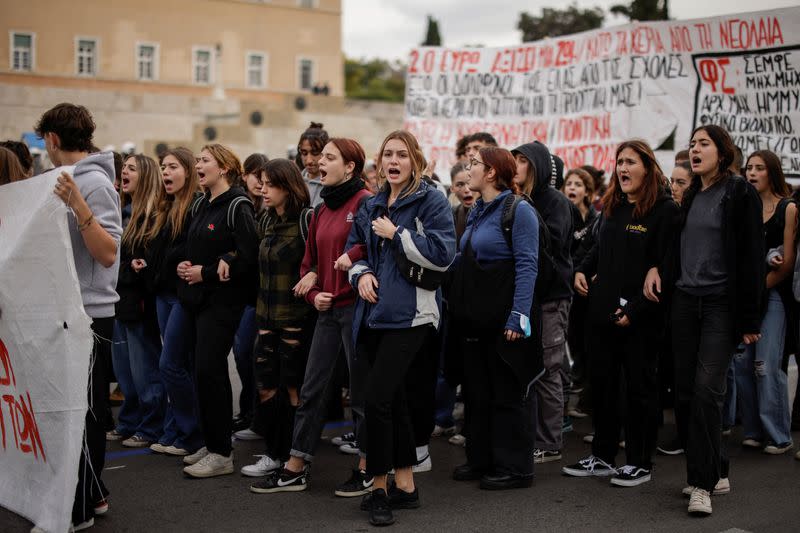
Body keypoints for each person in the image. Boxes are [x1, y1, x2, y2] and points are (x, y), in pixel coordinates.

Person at [644, 125, 764, 516]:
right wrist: (657, 269)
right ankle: (719, 469)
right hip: (685, 302)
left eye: (703, 144)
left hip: (720, 305)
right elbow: (679, 246)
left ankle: (702, 484)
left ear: (722, 151)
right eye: (692, 144)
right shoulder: (692, 193)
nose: (694, 150)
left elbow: (750, 257)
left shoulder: (739, 193)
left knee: (706, 390)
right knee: (683, 393)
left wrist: (749, 317)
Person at [347, 130, 456, 527]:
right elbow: (356, 250)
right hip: (372, 315)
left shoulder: (432, 201)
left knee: (377, 400)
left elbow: (445, 256)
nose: (394, 161)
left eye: (402, 155)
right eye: (388, 154)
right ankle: (406, 486)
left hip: (412, 317)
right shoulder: (373, 203)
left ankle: (378, 488)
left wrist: (399, 236)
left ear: (416, 161)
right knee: (396, 402)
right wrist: (359, 275)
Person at [255, 138, 372, 494]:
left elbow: (373, 245)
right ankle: (296, 465)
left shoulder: (365, 201)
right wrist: (313, 291)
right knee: (311, 389)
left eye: (330, 157)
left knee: (362, 392)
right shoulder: (321, 209)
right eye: (320, 157)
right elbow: (309, 266)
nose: (320, 162)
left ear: (350, 167)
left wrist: (349, 260)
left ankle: (369, 465)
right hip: (326, 311)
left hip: (356, 309)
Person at [563, 141, 680, 487]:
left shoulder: (665, 211)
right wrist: (582, 269)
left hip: (640, 319)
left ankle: (639, 462)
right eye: (619, 163)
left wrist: (637, 310)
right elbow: (597, 247)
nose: (623, 169)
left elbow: (667, 268)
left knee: (639, 391)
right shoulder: (613, 207)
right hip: (601, 315)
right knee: (603, 388)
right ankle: (602, 455)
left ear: (648, 167)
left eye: (630, 162)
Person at [36, 103, 122, 530]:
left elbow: (107, 254)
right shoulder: (61, 179)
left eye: (44, 143)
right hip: (67, 310)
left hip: (91, 313)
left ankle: (83, 505)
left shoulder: (96, 184)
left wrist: (77, 205)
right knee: (74, 410)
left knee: (86, 412)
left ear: (52, 140)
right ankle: (95, 492)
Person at [449, 146, 540, 490]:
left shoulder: (519, 211)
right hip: (476, 318)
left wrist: (519, 316)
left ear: (490, 173)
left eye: (474, 164)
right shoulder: (477, 210)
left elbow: (528, 264)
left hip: (504, 317)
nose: (468, 169)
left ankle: (515, 468)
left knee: (507, 392)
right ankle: (482, 459)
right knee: (478, 391)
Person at [177, 144, 260, 478]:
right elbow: (192, 244)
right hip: (199, 300)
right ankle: (213, 441)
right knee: (202, 371)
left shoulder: (238, 205)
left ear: (224, 168)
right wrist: (186, 264)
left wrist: (206, 272)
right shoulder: (201, 203)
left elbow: (249, 255)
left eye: (205, 161)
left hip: (224, 302)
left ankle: (222, 453)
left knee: (210, 370)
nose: (198, 165)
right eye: (197, 160)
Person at [243, 159, 315, 488]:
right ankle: (274, 453)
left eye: (270, 184)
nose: (262, 189)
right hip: (266, 317)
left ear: (287, 186)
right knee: (266, 384)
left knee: (293, 387)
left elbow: (317, 263)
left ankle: (294, 457)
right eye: (262, 183)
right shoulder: (266, 219)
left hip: (296, 317)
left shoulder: (305, 219)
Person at [511, 141, 573, 465]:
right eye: (514, 160)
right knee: (532, 367)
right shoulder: (518, 199)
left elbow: (553, 241)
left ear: (534, 166)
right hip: (530, 296)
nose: (516, 165)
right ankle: (533, 433)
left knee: (549, 368)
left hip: (551, 296)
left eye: (522, 160)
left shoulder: (555, 201)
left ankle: (550, 441)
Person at [732, 150, 796, 455]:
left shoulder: (788, 208)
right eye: (749, 168)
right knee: (743, 364)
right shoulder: (742, 208)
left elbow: (786, 266)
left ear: (772, 172)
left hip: (773, 297)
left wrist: (754, 291)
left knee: (765, 364)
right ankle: (754, 430)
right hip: (745, 298)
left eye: (759, 168)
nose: (752, 173)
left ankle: (778, 434)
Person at [147, 147, 204, 457]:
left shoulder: (196, 207)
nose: (165, 172)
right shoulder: (168, 206)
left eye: (172, 167)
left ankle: (191, 433)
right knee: (177, 364)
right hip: (164, 294)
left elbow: (188, 252)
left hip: (183, 296)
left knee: (172, 365)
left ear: (189, 171)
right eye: (163, 167)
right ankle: (174, 430)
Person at [111, 154, 166, 449]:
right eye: (124, 169)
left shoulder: (151, 215)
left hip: (139, 301)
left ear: (145, 175)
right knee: (125, 370)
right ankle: (130, 421)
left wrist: (132, 267)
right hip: (121, 299)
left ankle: (151, 425)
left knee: (144, 367)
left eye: (131, 168)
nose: (124, 173)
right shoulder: (124, 211)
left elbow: (145, 261)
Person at [232, 152, 270, 436]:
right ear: (244, 175)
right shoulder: (241, 205)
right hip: (243, 292)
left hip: (261, 294)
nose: (260, 181)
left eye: (264, 176)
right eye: (255, 174)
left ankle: (256, 415)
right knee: (243, 354)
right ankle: (248, 410)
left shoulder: (268, 208)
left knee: (250, 352)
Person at [561, 168, 598, 408]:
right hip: (567, 284)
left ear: (587, 191)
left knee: (585, 337)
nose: (572, 188)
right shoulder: (562, 214)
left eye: (578, 184)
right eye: (569, 183)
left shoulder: (596, 220)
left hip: (587, 289)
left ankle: (583, 382)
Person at [298, 122, 329, 207]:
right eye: (304, 153)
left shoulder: (333, 186)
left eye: (315, 153)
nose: (309, 160)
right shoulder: (295, 183)